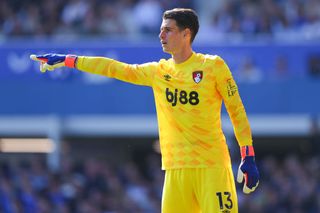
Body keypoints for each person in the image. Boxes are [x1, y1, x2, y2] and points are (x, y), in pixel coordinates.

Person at [30, 8, 259, 213]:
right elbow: (115, 68)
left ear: (186, 34)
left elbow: (236, 110)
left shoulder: (213, 66)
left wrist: (248, 155)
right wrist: (70, 60)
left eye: (168, 30)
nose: (161, 36)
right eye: (161, 30)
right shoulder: (158, 71)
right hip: (175, 169)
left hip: (211, 166)